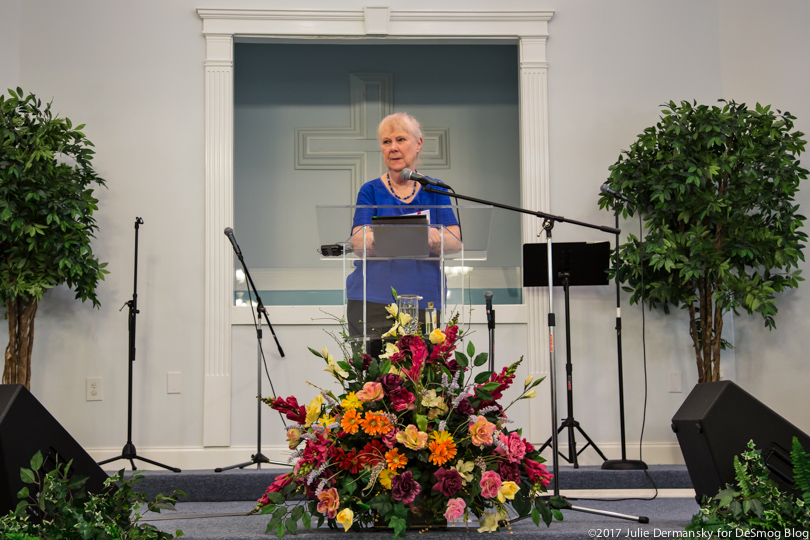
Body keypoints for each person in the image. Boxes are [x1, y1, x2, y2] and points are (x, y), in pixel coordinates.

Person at [346, 112, 460, 347]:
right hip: (372, 301)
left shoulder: (436, 190)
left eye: (400, 139)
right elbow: (358, 243)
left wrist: (432, 238)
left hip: (425, 300)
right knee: (374, 381)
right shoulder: (370, 190)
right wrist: (419, 236)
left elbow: (455, 242)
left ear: (418, 144)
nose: (393, 148)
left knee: (420, 382)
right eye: (387, 142)